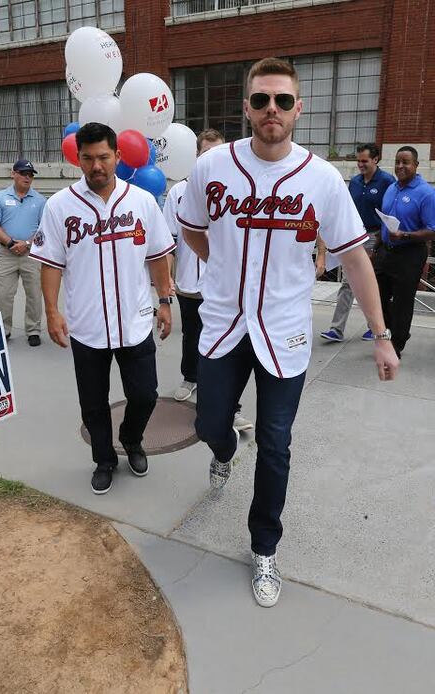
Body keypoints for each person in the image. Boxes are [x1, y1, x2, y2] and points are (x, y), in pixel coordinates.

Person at [177, 57, 399, 608]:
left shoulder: (321, 179)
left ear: (298, 109)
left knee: (276, 445)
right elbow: (194, 232)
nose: (270, 110)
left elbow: (354, 260)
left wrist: (382, 334)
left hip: (285, 332)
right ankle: (224, 451)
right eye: (260, 101)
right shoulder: (213, 167)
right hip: (224, 324)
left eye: (281, 100)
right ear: (246, 108)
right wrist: (223, 269)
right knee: (209, 424)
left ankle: (264, 546)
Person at [32, 123, 175, 495]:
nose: (96, 165)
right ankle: (103, 460)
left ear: (118, 157)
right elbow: (50, 263)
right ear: (77, 159)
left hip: (135, 320)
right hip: (87, 325)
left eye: (104, 157)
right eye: (88, 158)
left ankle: (131, 439)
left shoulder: (141, 201)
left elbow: (159, 255)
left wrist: (164, 301)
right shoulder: (60, 205)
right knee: (93, 404)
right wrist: (51, 311)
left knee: (145, 395)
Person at [163, 128, 254, 432]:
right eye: (206, 153)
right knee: (192, 336)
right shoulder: (178, 193)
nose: (212, 159)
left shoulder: (238, 192)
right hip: (189, 282)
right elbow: (170, 241)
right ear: (197, 156)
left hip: (226, 287)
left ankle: (232, 407)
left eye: (218, 152)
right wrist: (167, 282)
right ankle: (190, 378)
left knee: (229, 346)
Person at [320, 144, 396, 342]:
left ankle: (375, 326)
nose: (360, 165)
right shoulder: (354, 182)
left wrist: (379, 242)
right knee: (348, 283)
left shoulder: (387, 182)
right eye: (358, 161)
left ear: (376, 160)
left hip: (375, 236)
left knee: (371, 282)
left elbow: (389, 213)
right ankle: (336, 329)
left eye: (364, 161)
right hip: (354, 237)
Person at [373, 146, 435, 358]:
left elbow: (432, 231)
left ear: (416, 165)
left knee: (402, 301)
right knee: (377, 297)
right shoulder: (391, 188)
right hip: (385, 251)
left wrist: (406, 235)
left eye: (405, 162)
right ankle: (396, 331)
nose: (400, 166)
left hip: (410, 254)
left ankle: (396, 344)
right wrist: (377, 245)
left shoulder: (426, 193)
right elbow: (386, 220)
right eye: (398, 162)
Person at [0, 159, 47, 346]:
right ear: (13, 174)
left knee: (35, 294)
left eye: (30, 175)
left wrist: (27, 243)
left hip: (31, 254)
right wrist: (11, 243)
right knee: (3, 293)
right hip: (6, 254)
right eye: (23, 173)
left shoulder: (40, 200)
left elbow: (45, 230)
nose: (27, 178)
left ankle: (34, 330)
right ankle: (4, 330)